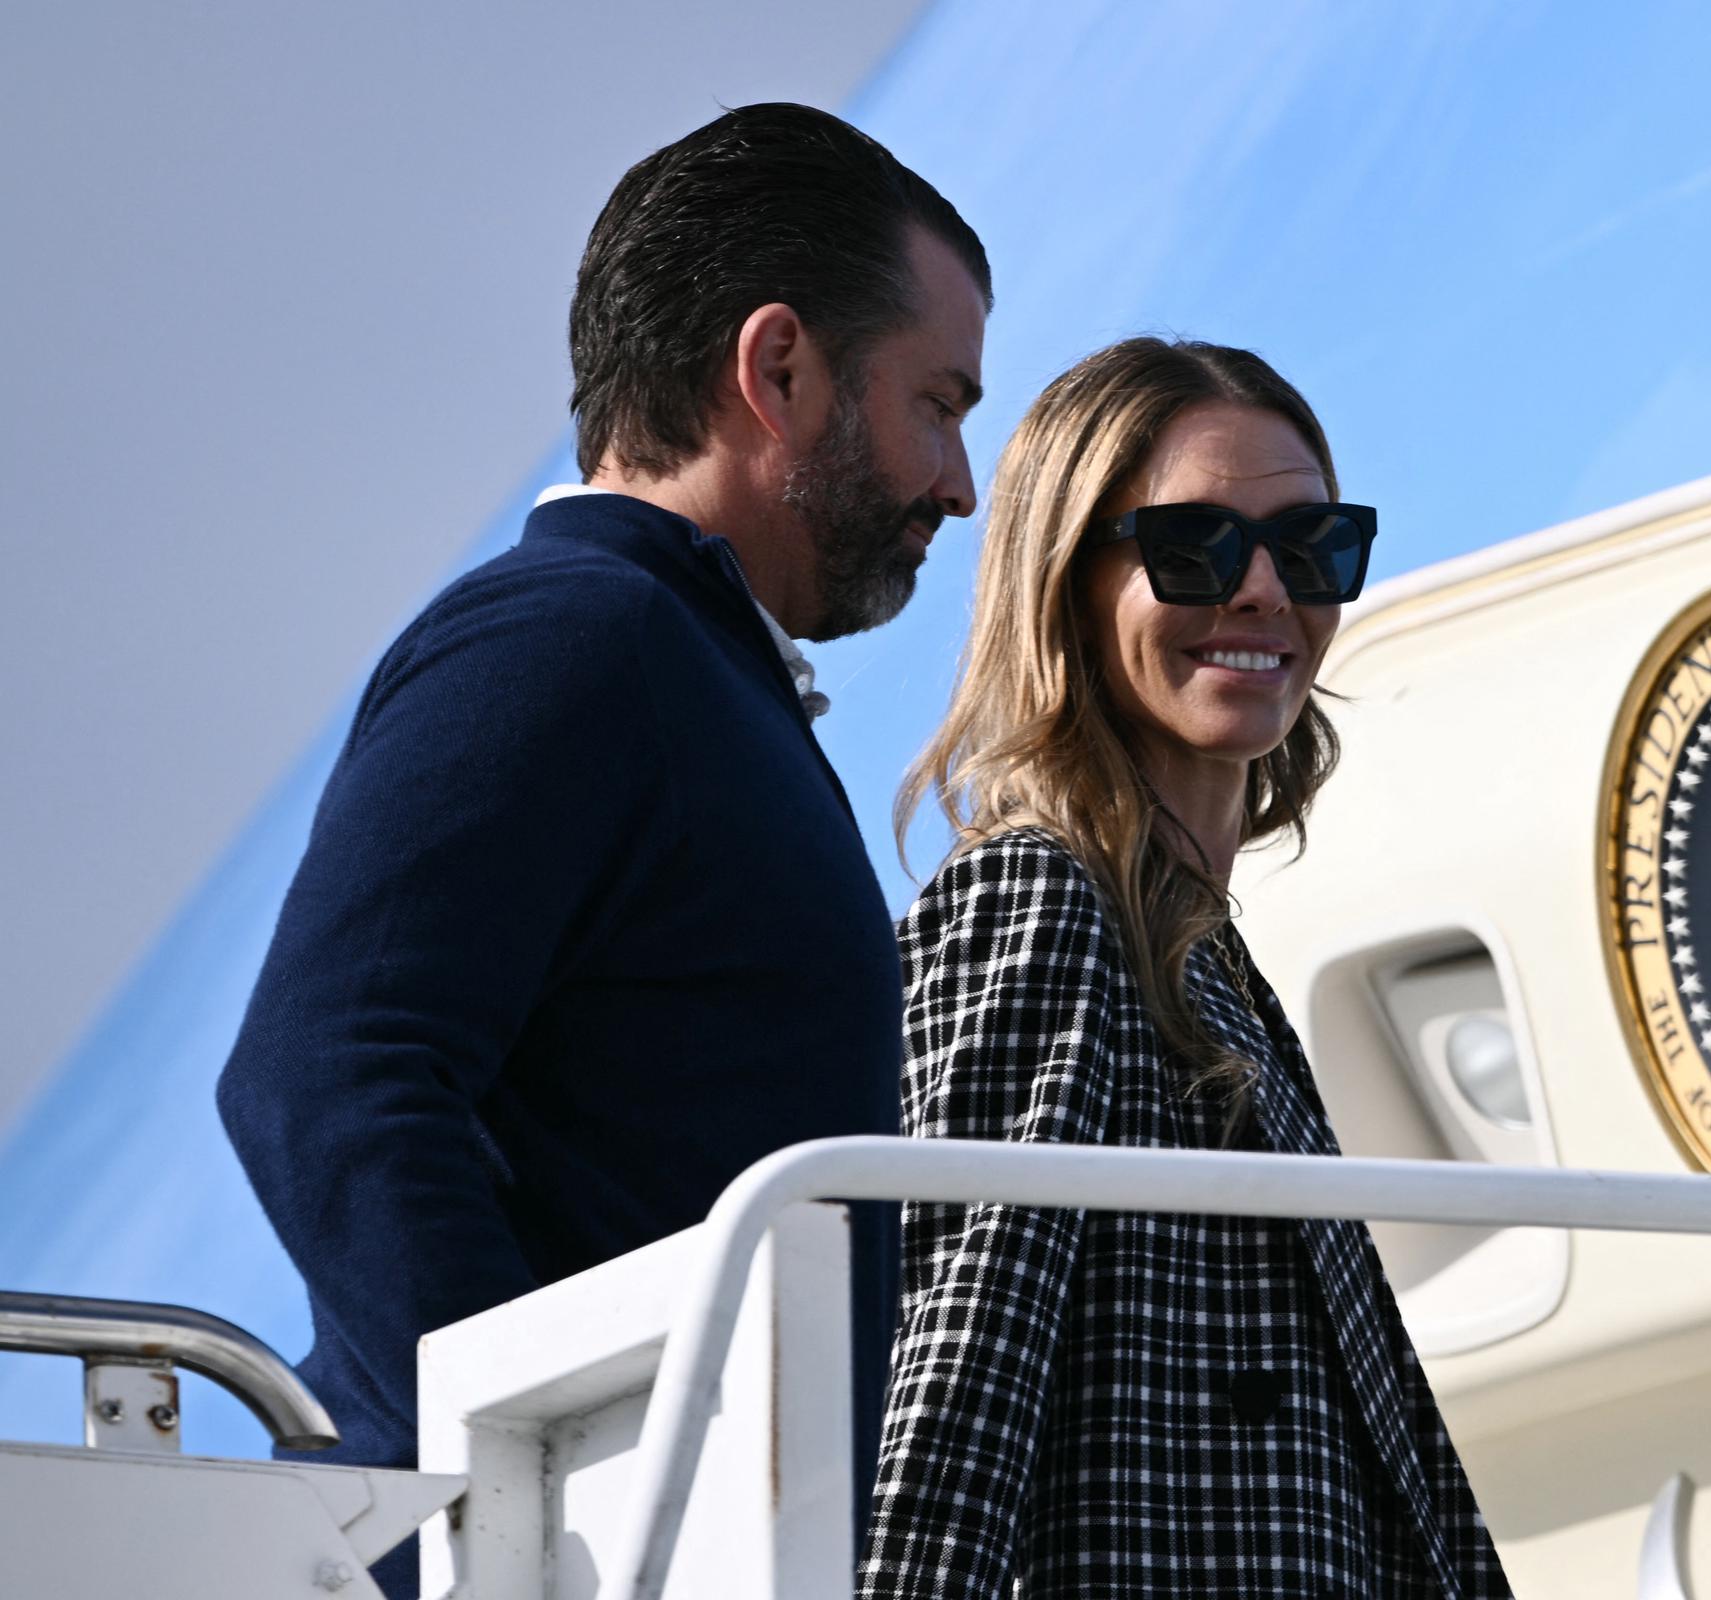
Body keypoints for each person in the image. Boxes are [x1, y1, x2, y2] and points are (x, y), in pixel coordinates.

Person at [215, 103, 988, 1597]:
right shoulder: (574, 638)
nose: (959, 483)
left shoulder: (666, 663)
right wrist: (541, 1521)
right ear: (777, 370)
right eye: (938, 403)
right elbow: (324, 1069)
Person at [861, 338, 1512, 1596]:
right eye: (1196, 546)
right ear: (1064, 584)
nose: (1266, 591)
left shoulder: (1202, 951)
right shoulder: (1037, 899)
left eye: (1313, 544)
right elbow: (944, 1409)